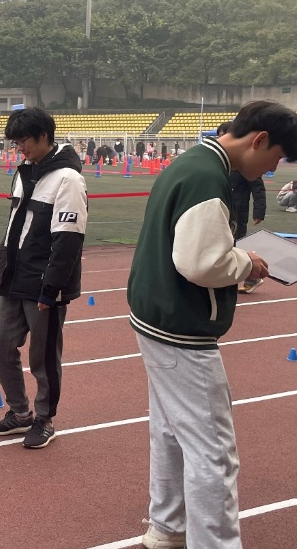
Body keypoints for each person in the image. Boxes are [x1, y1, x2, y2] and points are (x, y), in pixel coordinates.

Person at [128, 100, 297, 549]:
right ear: (259, 140)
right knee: (213, 451)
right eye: (276, 157)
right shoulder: (208, 177)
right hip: (181, 326)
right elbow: (201, 263)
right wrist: (247, 262)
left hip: (155, 316)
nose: (272, 169)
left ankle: (167, 526)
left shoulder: (193, 161)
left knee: (169, 430)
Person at [0, 107, 88, 449]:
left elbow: (69, 240)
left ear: (44, 136)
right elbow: (14, 225)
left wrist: (51, 288)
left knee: (42, 359)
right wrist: (3, 263)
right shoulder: (23, 172)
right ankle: (20, 414)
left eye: (24, 141)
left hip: (45, 283)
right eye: (15, 142)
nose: (20, 148)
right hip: (14, 278)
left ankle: (44, 419)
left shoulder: (68, 179)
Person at [218, 121, 267, 293]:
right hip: (222, 211)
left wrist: (259, 211)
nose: (221, 139)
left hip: (239, 211)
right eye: (219, 135)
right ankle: (225, 280)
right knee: (223, 245)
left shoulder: (244, 163)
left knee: (238, 243)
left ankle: (253, 277)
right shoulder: (219, 163)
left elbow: (258, 188)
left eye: (224, 135)